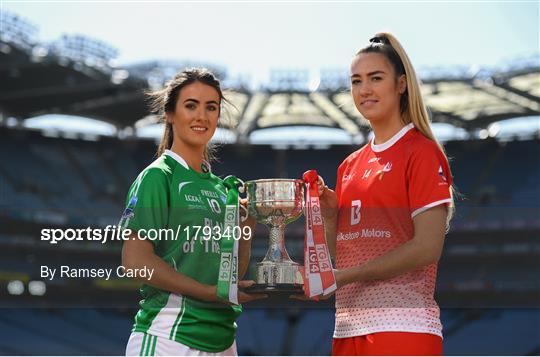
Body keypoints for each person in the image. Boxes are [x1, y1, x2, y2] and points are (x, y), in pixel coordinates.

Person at [317, 32, 455, 355]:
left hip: (402, 327)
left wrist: (345, 275)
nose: (364, 90)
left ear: (401, 83)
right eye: (356, 81)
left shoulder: (421, 152)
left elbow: (427, 248)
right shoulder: (349, 166)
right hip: (347, 328)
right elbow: (346, 254)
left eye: (375, 78)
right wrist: (329, 216)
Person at [120, 68, 264, 356]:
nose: (202, 116)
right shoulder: (158, 177)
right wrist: (209, 293)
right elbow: (134, 261)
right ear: (170, 114)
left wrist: (247, 227)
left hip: (223, 341)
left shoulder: (223, 189)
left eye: (211, 107)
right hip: (168, 338)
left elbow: (231, 271)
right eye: (191, 105)